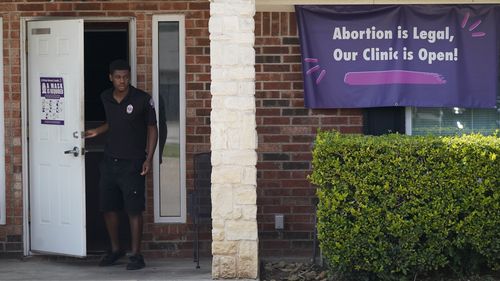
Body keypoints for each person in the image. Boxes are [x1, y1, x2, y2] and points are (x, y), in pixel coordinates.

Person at [85, 59, 158, 270]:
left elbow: (152, 128)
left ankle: (136, 255)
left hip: (133, 163)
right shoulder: (105, 97)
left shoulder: (143, 99)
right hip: (109, 162)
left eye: (125, 77)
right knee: (109, 208)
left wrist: (148, 158)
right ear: (111, 78)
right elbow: (115, 121)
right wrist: (98, 130)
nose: (122, 81)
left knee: (134, 210)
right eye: (117, 77)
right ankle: (116, 250)